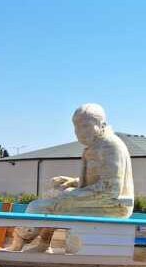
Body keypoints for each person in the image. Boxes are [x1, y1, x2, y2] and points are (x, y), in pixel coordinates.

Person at [8, 103, 134, 252]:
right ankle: (44, 245)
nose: (79, 132)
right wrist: (73, 181)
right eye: (76, 127)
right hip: (107, 201)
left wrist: (68, 196)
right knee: (52, 194)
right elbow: (98, 180)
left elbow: (110, 189)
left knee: (37, 206)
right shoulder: (98, 145)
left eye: (85, 126)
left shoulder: (110, 147)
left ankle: (18, 245)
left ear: (102, 124)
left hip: (114, 206)